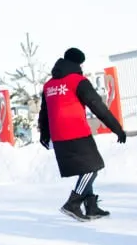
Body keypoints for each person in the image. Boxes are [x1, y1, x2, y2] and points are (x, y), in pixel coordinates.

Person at [38, 48, 128, 221]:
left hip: (59, 136)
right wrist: (117, 128)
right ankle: (73, 203)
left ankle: (91, 207)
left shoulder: (49, 85)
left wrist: (44, 134)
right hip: (76, 132)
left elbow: (44, 112)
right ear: (78, 64)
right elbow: (97, 106)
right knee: (92, 168)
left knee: (85, 168)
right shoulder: (78, 81)